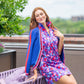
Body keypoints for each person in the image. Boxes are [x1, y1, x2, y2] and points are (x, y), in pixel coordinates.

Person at [25, 7, 77, 84]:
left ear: (45, 15)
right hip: (46, 65)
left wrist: (62, 38)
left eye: (41, 14)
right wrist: (35, 72)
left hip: (57, 63)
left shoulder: (53, 30)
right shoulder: (35, 32)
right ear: (35, 19)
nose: (40, 17)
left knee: (74, 82)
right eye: (37, 16)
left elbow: (58, 53)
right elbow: (32, 52)